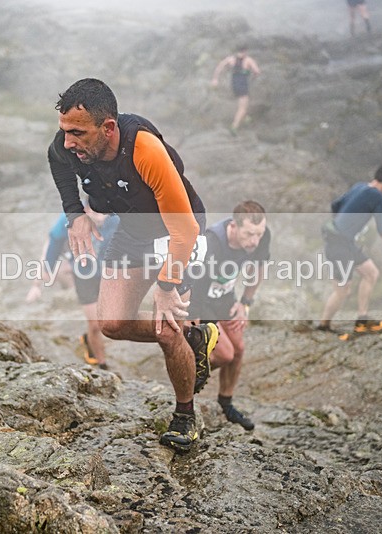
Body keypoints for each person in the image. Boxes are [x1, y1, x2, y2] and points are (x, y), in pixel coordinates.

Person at [47, 78, 218, 453]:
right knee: (111, 323)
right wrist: (75, 215)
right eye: (64, 131)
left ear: (108, 128)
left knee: (166, 324)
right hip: (134, 231)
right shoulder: (65, 147)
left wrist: (167, 285)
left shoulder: (143, 149)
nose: (68, 141)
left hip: (178, 231)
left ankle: (186, 415)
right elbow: (58, 167)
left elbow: (185, 227)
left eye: (78, 132)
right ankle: (196, 337)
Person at [188, 201, 270, 431]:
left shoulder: (262, 236)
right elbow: (195, 285)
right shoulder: (212, 242)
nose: (255, 240)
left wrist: (245, 303)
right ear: (234, 226)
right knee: (224, 354)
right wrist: (193, 323)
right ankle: (185, 376)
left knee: (238, 350)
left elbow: (259, 266)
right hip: (200, 300)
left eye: (259, 234)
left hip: (226, 298)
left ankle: (226, 403)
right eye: (249, 234)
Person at [318, 163, 382, 333]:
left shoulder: (359, 186)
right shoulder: (377, 197)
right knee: (342, 291)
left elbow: (335, 205)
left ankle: (362, 319)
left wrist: (344, 223)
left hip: (343, 242)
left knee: (371, 273)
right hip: (339, 244)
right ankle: (323, 325)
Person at [26, 206, 119, 369]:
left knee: (111, 321)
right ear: (86, 209)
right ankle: (102, 364)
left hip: (108, 273)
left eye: (102, 213)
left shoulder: (116, 216)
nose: (100, 218)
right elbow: (51, 243)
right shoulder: (70, 217)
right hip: (83, 274)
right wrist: (40, 280)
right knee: (96, 325)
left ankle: (89, 340)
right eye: (95, 213)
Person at [211, 45, 261, 135]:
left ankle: (246, 118)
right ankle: (234, 127)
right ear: (245, 51)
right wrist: (252, 76)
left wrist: (215, 79)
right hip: (243, 85)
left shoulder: (231, 59)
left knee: (242, 104)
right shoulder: (248, 60)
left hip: (234, 85)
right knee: (242, 107)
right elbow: (257, 71)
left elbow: (220, 66)